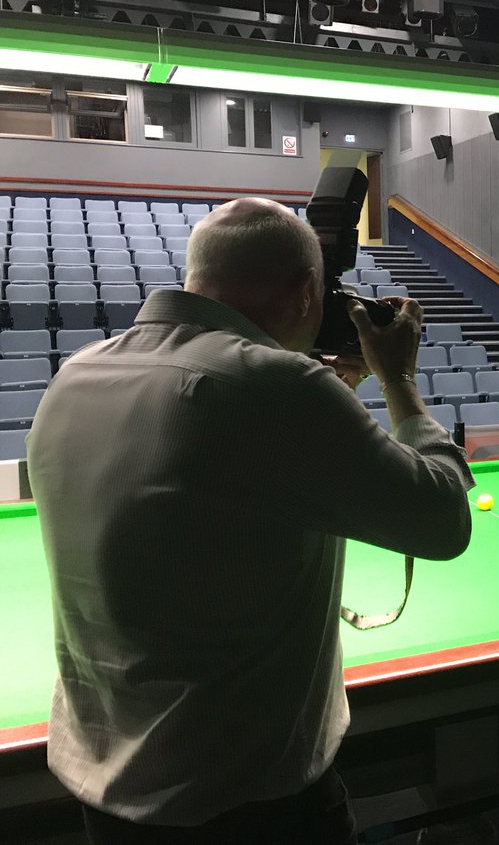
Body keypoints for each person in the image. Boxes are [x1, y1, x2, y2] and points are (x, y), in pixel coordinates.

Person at [27, 198, 474, 844]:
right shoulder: (278, 386)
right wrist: (398, 379)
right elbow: (440, 521)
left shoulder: (76, 373)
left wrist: (331, 397)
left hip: (106, 790)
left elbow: (217, 486)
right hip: (248, 802)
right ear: (304, 291)